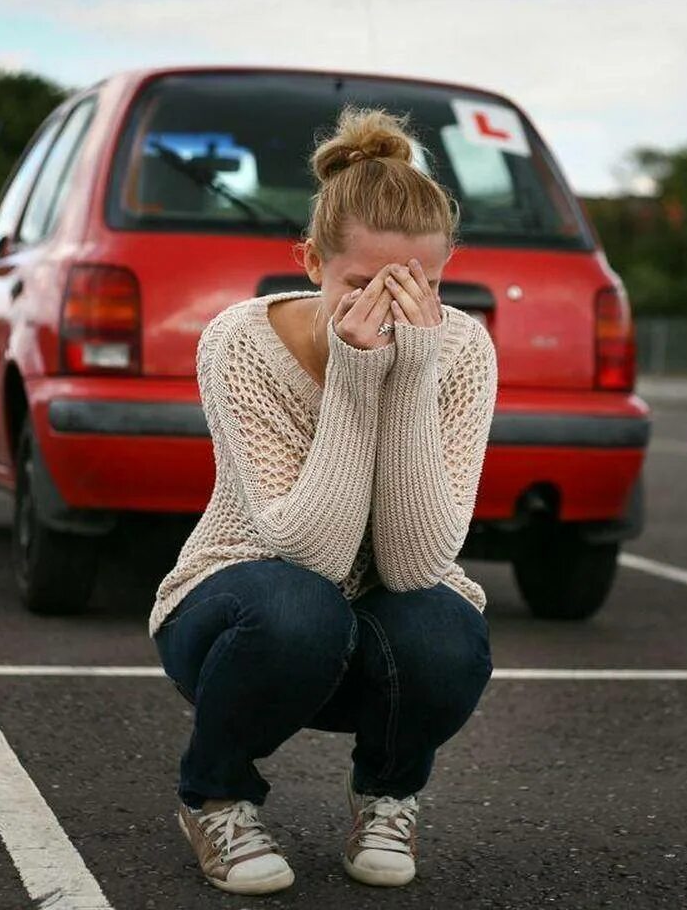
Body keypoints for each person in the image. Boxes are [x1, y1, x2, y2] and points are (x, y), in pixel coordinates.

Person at [147, 104, 498, 895]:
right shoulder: (241, 342)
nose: (394, 307)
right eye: (364, 284)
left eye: (421, 287)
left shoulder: (462, 350)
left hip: (382, 617)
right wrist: (353, 375)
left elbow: (414, 564)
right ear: (309, 261)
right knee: (301, 608)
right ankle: (216, 797)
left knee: (449, 629)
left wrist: (407, 376)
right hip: (239, 609)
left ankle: (388, 793)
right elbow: (310, 553)